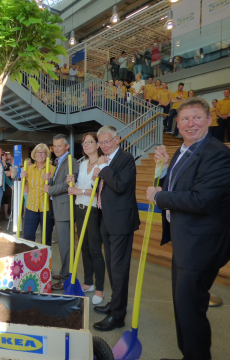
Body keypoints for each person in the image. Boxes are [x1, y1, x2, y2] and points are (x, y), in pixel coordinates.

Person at [146, 97, 230, 360]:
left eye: (196, 117)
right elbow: (173, 186)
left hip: (201, 245)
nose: (190, 123)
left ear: (208, 119)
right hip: (185, 241)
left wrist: (159, 197)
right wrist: (162, 169)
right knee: (184, 307)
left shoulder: (216, 154)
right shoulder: (184, 150)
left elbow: (202, 199)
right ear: (177, 124)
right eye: (184, 119)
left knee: (191, 309)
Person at [92, 125, 140, 331]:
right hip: (106, 219)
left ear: (117, 139)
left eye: (107, 142)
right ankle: (115, 303)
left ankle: (118, 316)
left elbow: (120, 185)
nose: (103, 146)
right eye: (100, 142)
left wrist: (103, 169)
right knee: (112, 267)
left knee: (119, 270)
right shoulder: (107, 161)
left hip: (120, 222)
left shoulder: (126, 159)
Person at [67, 133, 105, 305]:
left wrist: (80, 191)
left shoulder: (103, 164)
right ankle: (88, 282)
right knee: (84, 248)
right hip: (80, 209)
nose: (86, 144)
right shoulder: (82, 165)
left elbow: (101, 191)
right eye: (84, 142)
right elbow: (79, 188)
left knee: (95, 250)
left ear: (98, 145)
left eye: (90, 142)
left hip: (94, 210)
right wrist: (72, 185)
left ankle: (100, 288)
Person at [43, 134, 79, 290]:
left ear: (67, 146)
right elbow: (61, 182)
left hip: (65, 209)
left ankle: (66, 279)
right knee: (64, 245)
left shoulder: (71, 161)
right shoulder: (59, 161)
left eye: (59, 146)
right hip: (58, 208)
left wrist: (50, 189)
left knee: (66, 245)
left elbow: (67, 185)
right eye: (54, 146)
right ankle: (65, 272)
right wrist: (50, 180)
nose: (56, 148)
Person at [21, 144, 56, 246]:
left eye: (43, 152)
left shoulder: (53, 169)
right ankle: (30, 260)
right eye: (38, 152)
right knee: (28, 237)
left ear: (47, 155)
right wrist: (23, 180)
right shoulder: (28, 169)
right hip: (31, 207)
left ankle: (44, 261)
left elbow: (56, 188)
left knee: (46, 238)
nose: (40, 155)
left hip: (47, 208)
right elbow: (26, 191)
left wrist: (50, 182)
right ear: (34, 154)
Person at [1, 152, 12, 220]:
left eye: (5, 155)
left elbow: (11, 172)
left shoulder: (8, 164)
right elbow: (0, 173)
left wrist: (4, 173)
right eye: (3, 155)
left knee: (6, 199)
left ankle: (6, 214)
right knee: (0, 200)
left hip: (8, 184)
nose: (5, 156)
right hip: (1, 184)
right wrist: (6, 173)